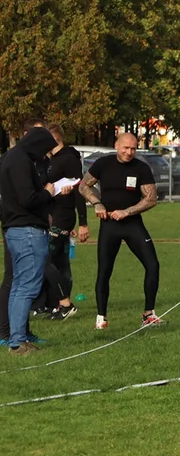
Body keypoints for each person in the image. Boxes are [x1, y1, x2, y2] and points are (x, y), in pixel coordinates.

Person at [79, 133, 161, 330]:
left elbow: (151, 199)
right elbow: (83, 186)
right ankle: (101, 318)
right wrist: (97, 203)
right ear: (116, 145)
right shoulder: (103, 164)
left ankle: (149, 314)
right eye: (125, 148)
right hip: (109, 226)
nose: (129, 152)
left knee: (153, 265)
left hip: (133, 224)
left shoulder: (141, 168)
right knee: (104, 271)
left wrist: (127, 212)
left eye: (133, 149)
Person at [1, 127, 62, 355]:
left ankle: (17, 337)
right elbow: (28, 198)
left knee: (19, 285)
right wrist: (49, 191)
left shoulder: (12, 157)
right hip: (27, 230)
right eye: (45, 150)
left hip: (15, 229)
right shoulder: (21, 161)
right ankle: (17, 342)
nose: (45, 156)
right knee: (27, 286)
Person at [39, 123, 88, 320]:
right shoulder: (54, 159)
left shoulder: (68, 159)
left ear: (53, 139)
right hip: (56, 213)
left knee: (46, 259)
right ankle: (59, 305)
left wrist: (83, 223)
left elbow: (79, 191)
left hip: (63, 216)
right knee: (58, 261)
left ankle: (65, 303)